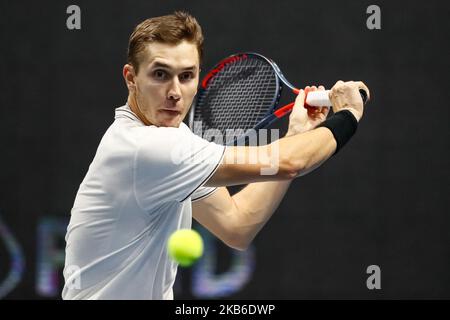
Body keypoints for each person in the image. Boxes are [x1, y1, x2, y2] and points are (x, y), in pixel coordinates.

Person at [62, 11, 370, 300]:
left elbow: (236, 225)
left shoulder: (172, 140)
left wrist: (296, 135)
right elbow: (289, 163)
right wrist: (348, 116)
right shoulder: (146, 148)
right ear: (131, 77)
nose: (174, 91)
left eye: (186, 76)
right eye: (160, 74)